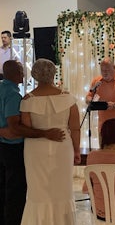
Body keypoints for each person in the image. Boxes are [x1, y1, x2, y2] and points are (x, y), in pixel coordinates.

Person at [0, 60, 65, 225]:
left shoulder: (5, 89)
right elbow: (15, 127)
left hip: (3, 146)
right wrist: (45, 133)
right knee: (16, 189)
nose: (23, 74)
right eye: (21, 71)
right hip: (13, 148)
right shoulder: (14, 94)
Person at [19, 58, 81, 225]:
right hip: (63, 146)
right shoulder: (68, 99)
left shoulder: (27, 100)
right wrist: (76, 150)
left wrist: (44, 133)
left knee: (37, 191)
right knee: (62, 189)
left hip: (35, 149)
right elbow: (75, 128)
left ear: (34, 75)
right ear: (54, 73)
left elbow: (28, 130)